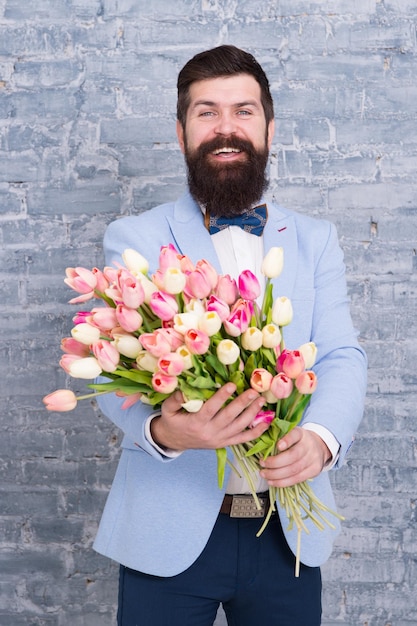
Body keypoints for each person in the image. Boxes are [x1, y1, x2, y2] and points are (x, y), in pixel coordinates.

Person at [93, 45, 367, 625]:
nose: (226, 128)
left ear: (268, 126)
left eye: (243, 111)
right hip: (165, 530)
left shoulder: (315, 238)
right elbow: (106, 359)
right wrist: (165, 430)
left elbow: (341, 354)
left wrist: (320, 437)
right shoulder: (135, 237)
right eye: (206, 112)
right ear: (181, 130)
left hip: (286, 536)